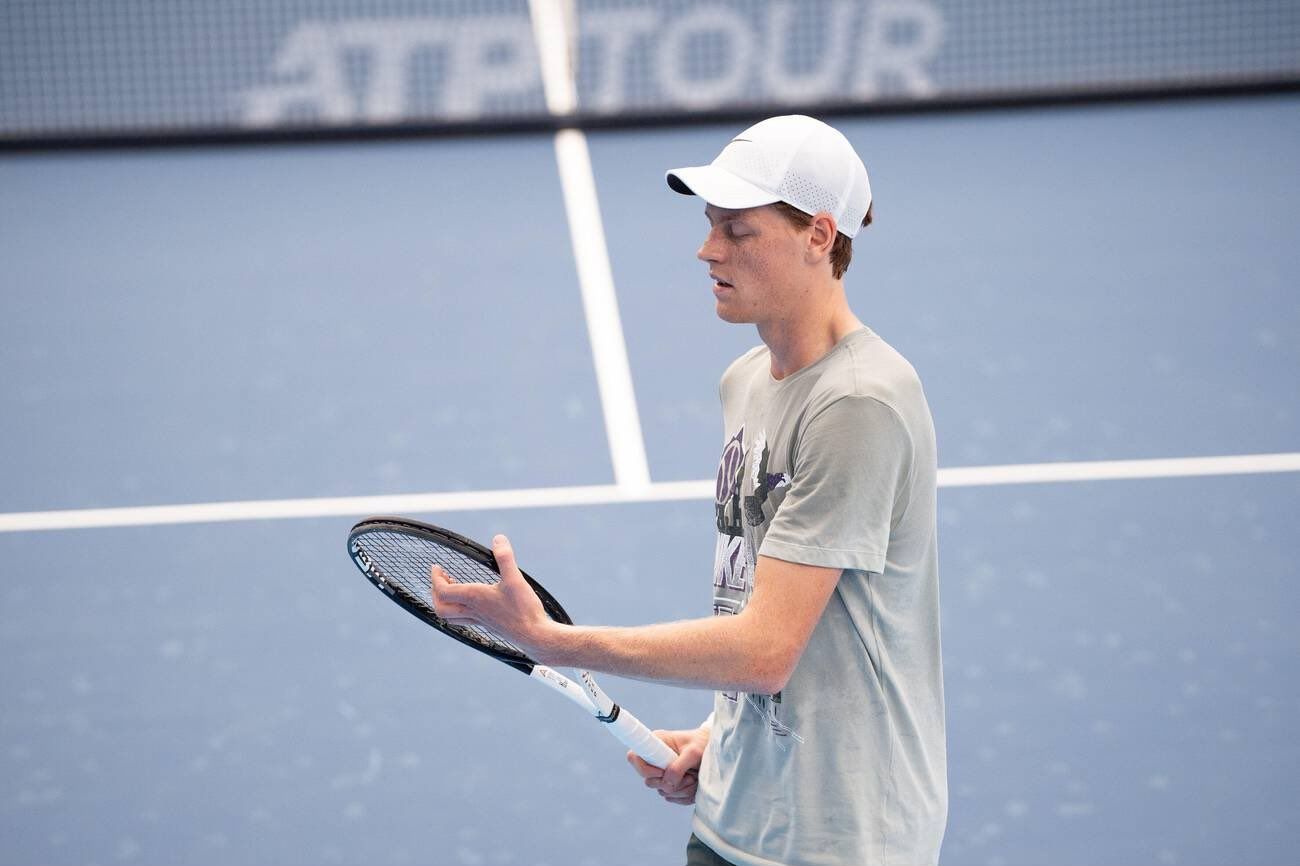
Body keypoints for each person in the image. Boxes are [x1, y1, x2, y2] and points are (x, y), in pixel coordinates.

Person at [431, 115, 947, 866]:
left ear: (818, 236)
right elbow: (762, 606)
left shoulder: (858, 405)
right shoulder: (746, 381)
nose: (708, 250)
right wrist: (720, 736)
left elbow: (766, 649)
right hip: (739, 814)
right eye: (710, 226)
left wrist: (552, 640)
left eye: (738, 232)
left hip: (839, 839)